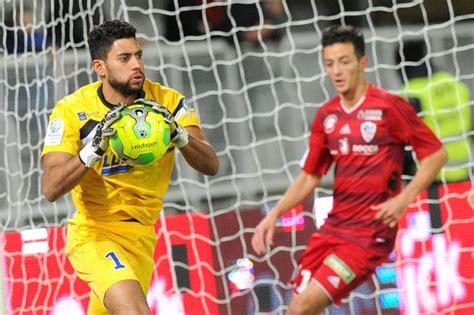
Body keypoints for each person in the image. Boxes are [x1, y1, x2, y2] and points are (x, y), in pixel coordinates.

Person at [251, 25, 447, 314]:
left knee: (303, 306)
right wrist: (275, 214)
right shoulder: (327, 116)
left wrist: (404, 199)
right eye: (330, 64)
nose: (337, 71)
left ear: (362, 62)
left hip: (369, 234)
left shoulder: (390, 107)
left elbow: (436, 154)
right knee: (298, 307)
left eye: (345, 61)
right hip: (333, 229)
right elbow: (310, 175)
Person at [41, 20, 219, 314]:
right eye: (124, 58)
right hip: (95, 233)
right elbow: (50, 188)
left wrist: (179, 135)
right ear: (100, 67)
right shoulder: (72, 109)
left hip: (141, 237)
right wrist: (93, 149)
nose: (136, 65)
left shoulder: (169, 103)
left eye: (139, 55)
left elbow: (211, 165)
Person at [396, 39, 471, 182]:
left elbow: (404, 148)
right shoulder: (454, 83)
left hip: (430, 179)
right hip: (464, 172)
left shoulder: (411, 93)